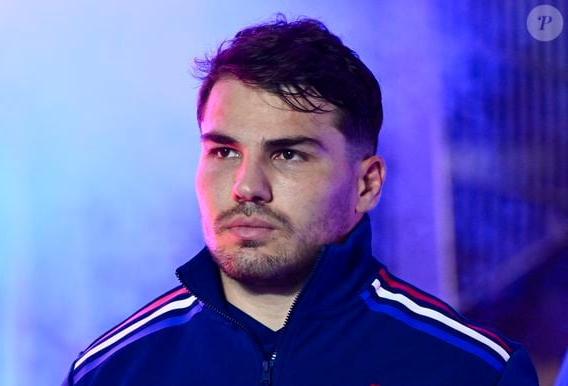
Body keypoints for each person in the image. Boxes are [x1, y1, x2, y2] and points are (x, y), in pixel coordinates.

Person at [62, 16, 539, 386]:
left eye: (288, 154)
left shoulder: (471, 371)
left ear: (366, 185)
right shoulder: (114, 370)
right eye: (224, 151)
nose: (247, 186)